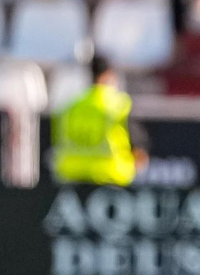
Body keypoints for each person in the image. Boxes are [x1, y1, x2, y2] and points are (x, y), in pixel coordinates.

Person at [52, 56, 140, 186]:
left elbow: (56, 141)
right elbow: (138, 147)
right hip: (111, 177)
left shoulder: (70, 107)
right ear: (108, 75)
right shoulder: (119, 105)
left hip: (71, 178)